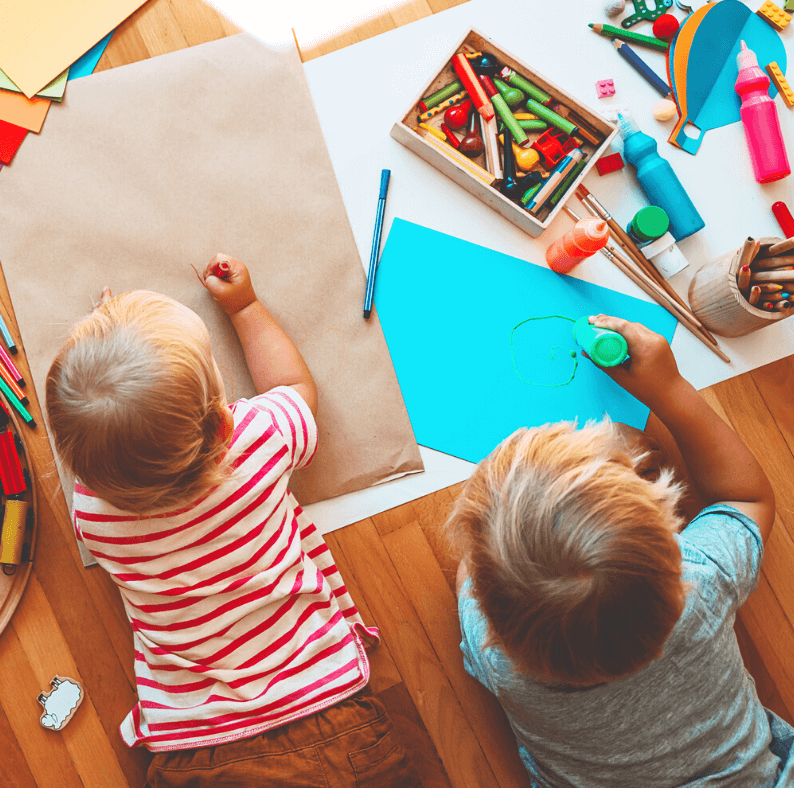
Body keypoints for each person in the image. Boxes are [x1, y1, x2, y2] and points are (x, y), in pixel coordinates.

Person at [45, 254, 421, 787]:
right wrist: (244, 308)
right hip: (327, 713)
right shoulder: (257, 442)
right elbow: (295, 390)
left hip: (196, 749)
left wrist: (114, 372)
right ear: (223, 424)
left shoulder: (98, 519)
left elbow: (110, 448)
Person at [447, 314, 792, 788]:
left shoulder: (502, 665)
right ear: (675, 553)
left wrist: (500, 497)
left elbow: (470, 570)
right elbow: (747, 499)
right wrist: (668, 388)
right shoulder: (702, 584)